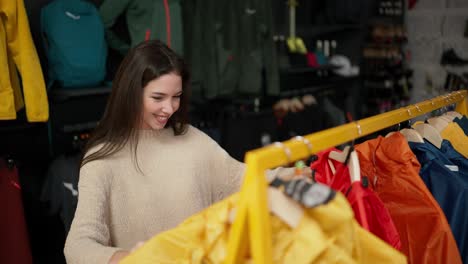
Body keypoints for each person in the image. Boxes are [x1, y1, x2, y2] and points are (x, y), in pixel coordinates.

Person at [64, 40, 293, 264]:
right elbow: (78, 245)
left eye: (176, 97)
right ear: (131, 93)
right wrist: (129, 259)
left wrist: (300, 176)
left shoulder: (190, 137)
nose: (169, 108)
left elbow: (245, 179)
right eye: (158, 97)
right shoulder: (103, 158)